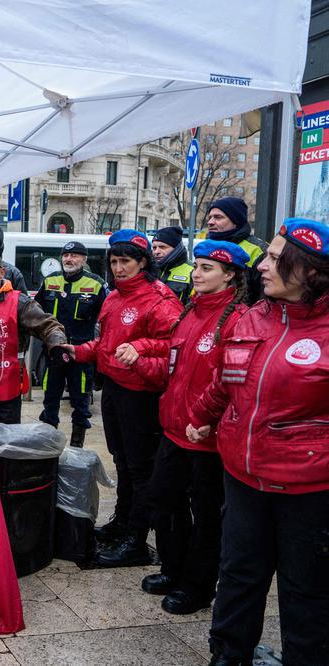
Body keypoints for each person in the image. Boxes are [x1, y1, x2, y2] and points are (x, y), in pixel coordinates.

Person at [186, 220, 329, 665]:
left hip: (308, 489)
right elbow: (227, 380)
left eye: (274, 258)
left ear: (308, 270)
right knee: (238, 575)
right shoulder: (251, 317)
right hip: (243, 477)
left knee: (305, 587)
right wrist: (203, 417)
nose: (262, 265)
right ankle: (228, 655)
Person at [134, 241, 249, 616]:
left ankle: (198, 586)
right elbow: (174, 370)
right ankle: (173, 569)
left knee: (206, 516)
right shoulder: (189, 312)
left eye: (207, 268)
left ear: (230, 274)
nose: (196, 274)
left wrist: (208, 421)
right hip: (174, 430)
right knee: (163, 500)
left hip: (208, 440)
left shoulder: (237, 319)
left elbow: (232, 383)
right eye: (196, 266)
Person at [63, 229, 182, 567]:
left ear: (143, 262)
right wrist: (78, 351)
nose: (118, 267)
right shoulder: (114, 296)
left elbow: (175, 344)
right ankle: (123, 523)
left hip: (141, 395)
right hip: (115, 389)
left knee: (140, 467)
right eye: (114, 261)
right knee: (123, 463)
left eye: (125, 261)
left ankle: (137, 540)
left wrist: (142, 349)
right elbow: (106, 345)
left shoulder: (160, 299)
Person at [0, 251, 68, 424]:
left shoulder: (20, 302)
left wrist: (57, 345)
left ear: (2, 272)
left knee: (6, 447)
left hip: (6, 393)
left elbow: (49, 325)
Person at [34, 240, 108, 446]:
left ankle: (77, 449)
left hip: (81, 354)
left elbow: (106, 319)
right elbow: (36, 313)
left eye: (74, 255)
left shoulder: (96, 284)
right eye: (66, 255)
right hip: (53, 353)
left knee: (81, 404)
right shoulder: (50, 281)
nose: (69, 259)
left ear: (84, 259)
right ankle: (48, 447)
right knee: (49, 401)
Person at [201, 197, 268, 304]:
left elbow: (265, 298)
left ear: (236, 221)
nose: (210, 222)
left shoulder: (258, 250)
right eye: (210, 217)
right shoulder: (206, 247)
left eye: (218, 217)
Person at [153, 226, 193, 304]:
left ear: (176, 248)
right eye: (154, 248)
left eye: (162, 247)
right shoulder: (149, 269)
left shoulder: (192, 271)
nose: (156, 252)